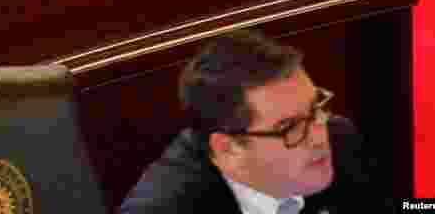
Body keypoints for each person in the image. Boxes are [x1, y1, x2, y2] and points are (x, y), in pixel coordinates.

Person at [120, 29, 390, 214]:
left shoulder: (341, 142)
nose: (319, 136)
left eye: (316, 107)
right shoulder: (164, 209)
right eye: (290, 127)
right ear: (228, 148)